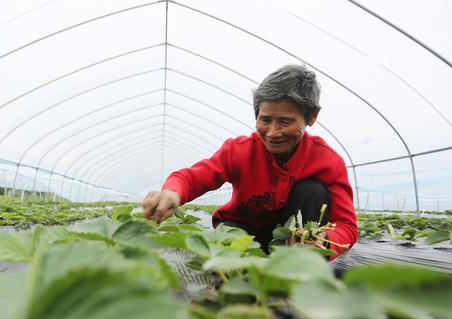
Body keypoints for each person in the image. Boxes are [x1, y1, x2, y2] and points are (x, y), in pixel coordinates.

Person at [141, 64, 357, 259]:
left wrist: (323, 241)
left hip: (292, 239)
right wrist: (173, 192)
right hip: (241, 230)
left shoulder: (327, 161)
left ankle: (297, 262)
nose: (273, 132)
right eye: (265, 120)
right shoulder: (239, 150)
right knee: (232, 247)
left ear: (311, 117)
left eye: (285, 121)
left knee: (313, 191)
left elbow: (347, 225)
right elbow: (192, 177)